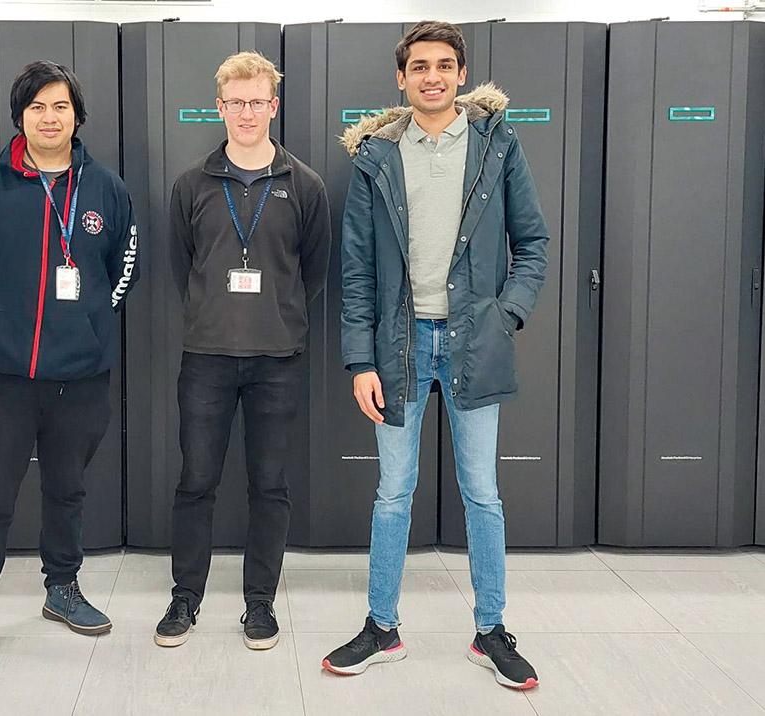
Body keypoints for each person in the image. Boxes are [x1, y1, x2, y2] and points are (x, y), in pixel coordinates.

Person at [323, 21, 548, 690]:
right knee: (394, 491)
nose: (432, 76)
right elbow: (357, 269)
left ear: (460, 73)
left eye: (444, 65)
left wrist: (504, 315)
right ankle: (382, 626)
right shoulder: (375, 157)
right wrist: (360, 360)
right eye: (419, 65)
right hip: (399, 345)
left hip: (474, 341)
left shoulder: (497, 145)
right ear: (401, 77)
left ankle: (490, 629)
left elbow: (532, 244)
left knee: (483, 491)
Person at [0, 61, 140, 667]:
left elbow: (122, 269)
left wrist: (85, 324)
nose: (50, 117)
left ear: (77, 116)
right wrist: (8, 321)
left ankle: (62, 587)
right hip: (4, 375)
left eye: (60, 106)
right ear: (19, 117)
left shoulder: (106, 188)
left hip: (80, 375)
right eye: (37, 108)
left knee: (68, 488)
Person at [154, 51, 331, 651]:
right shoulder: (192, 184)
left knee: (270, 485)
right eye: (236, 102)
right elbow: (183, 268)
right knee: (196, 480)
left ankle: (259, 605)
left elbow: (313, 270)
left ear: (273, 106)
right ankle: (185, 599)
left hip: (277, 359)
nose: (247, 112)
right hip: (206, 357)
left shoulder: (304, 185)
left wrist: (274, 316)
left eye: (258, 101)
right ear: (220, 107)